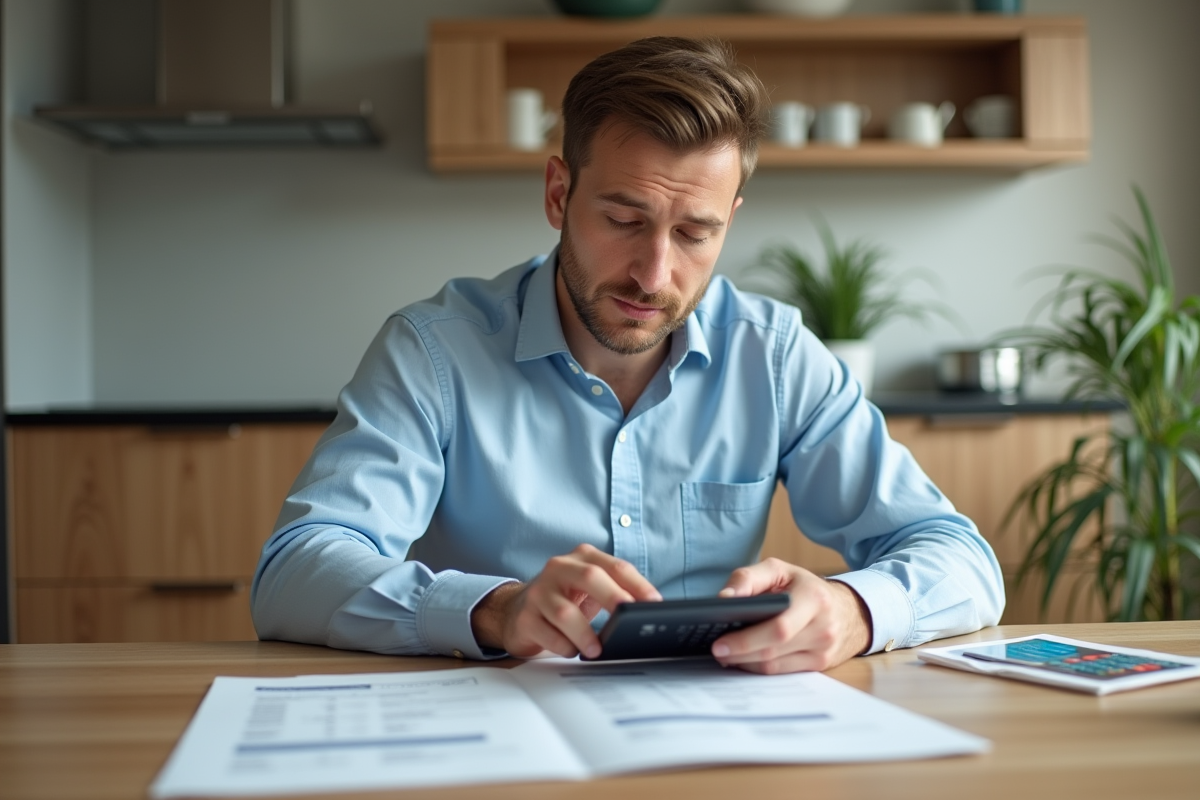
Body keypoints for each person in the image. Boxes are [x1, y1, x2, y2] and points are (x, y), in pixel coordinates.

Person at [252, 36, 1004, 674]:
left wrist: (852, 610)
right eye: (623, 218)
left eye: (694, 233)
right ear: (557, 194)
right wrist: (496, 609)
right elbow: (294, 572)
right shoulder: (433, 353)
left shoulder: (773, 357)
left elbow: (960, 559)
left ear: (730, 220)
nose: (654, 274)